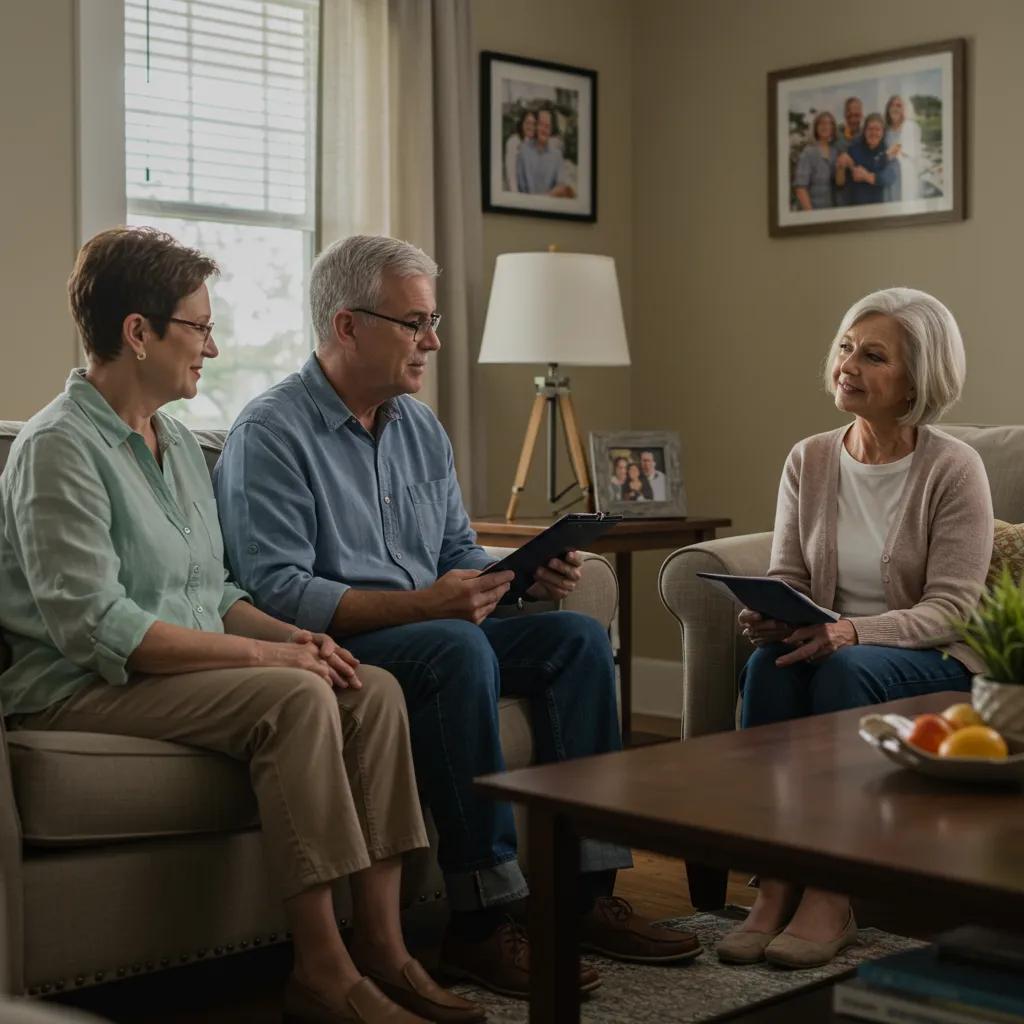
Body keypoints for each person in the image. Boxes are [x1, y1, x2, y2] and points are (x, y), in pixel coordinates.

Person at [0, 227, 485, 1024]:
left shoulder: (182, 447)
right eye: (197, 328)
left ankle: (389, 949)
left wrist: (296, 639)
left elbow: (214, 590)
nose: (213, 348)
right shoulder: (59, 448)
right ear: (137, 332)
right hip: (79, 686)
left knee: (371, 687)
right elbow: (98, 627)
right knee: (293, 700)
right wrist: (265, 656)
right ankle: (323, 973)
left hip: (168, 669)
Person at [214, 234, 701, 998]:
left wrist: (520, 577)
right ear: (347, 326)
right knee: (455, 647)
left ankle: (584, 895)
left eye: (431, 321)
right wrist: (428, 604)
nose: (432, 341)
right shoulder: (269, 434)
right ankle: (480, 922)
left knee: (575, 637)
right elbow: (274, 590)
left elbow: (456, 551)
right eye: (415, 323)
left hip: (433, 628)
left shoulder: (418, 426)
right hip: (345, 646)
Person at [717, 288, 993, 970]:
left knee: (839, 667)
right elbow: (791, 576)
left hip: (932, 657)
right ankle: (776, 881)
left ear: (914, 382)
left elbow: (953, 610)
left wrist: (851, 633)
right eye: (845, 346)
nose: (848, 365)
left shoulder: (954, 469)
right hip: (835, 644)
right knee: (766, 667)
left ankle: (835, 891)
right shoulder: (809, 458)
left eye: (873, 356)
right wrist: (771, 613)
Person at [837, 113, 897, 206]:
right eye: (870, 129)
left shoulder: (888, 151)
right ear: (864, 131)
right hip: (854, 209)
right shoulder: (853, 149)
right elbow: (840, 183)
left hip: (880, 209)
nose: (873, 133)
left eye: (877, 129)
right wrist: (840, 167)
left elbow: (890, 176)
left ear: (883, 132)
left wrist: (866, 176)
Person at [516, 107, 575, 197]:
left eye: (547, 126)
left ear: (551, 129)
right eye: (541, 124)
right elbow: (521, 186)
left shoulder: (557, 155)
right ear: (536, 126)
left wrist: (543, 199)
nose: (543, 130)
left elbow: (561, 185)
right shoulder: (523, 151)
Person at [793, 110, 838, 210]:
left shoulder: (835, 152)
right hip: (812, 211)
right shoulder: (808, 152)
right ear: (816, 127)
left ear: (833, 128)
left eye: (828, 123)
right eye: (821, 123)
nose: (825, 126)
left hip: (831, 211)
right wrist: (811, 216)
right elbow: (800, 189)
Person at [883, 95, 922, 202]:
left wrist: (897, 151)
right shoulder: (884, 132)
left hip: (906, 177)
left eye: (899, 106)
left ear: (903, 109)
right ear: (888, 109)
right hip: (889, 179)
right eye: (892, 105)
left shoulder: (911, 127)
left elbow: (914, 154)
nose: (895, 108)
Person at [832, 96, 863, 206]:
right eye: (850, 115)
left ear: (862, 114)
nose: (853, 119)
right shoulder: (835, 136)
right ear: (845, 114)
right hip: (841, 200)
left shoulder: (867, 136)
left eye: (857, 115)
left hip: (862, 199)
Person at [503, 109, 536, 193]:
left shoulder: (536, 144)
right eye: (528, 123)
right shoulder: (513, 142)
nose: (531, 127)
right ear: (522, 124)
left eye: (534, 124)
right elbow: (511, 175)